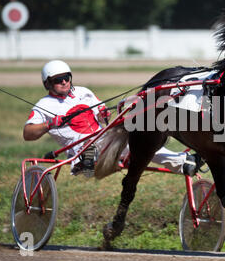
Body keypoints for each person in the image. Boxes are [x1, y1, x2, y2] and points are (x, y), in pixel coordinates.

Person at [23, 60, 203, 177]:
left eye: (66, 78)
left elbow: (102, 114)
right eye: (57, 80)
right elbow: (28, 133)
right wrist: (50, 124)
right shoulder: (44, 105)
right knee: (90, 140)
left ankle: (184, 164)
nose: (64, 82)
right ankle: (89, 164)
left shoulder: (83, 92)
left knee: (140, 143)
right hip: (80, 151)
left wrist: (104, 114)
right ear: (47, 83)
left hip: (105, 141)